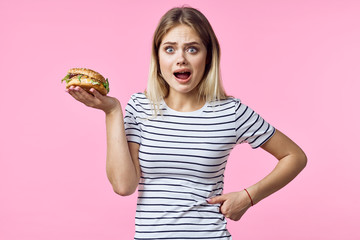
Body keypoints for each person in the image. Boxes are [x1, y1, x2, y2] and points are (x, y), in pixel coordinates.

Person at [66, 6, 307, 240]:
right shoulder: (140, 106)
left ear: (208, 56)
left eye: (192, 49)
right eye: (170, 49)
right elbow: (123, 186)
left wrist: (248, 197)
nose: (180, 59)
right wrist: (112, 111)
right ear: (158, 57)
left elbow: (294, 156)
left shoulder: (230, 112)